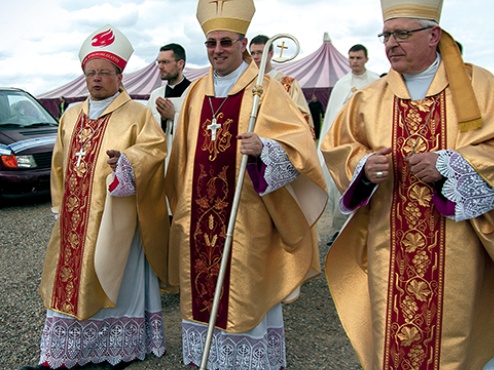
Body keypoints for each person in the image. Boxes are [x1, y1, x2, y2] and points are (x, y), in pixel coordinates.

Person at [321, 1, 494, 369]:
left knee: (472, 339)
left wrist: (455, 164)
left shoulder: (476, 85)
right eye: (386, 35)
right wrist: (364, 167)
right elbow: (339, 148)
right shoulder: (369, 97)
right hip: (391, 245)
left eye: (403, 33)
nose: (391, 43)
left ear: (433, 35)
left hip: (467, 245)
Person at [165, 1, 327, 368]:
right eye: (211, 43)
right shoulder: (193, 93)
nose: (217, 50)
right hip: (200, 216)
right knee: (202, 290)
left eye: (226, 42)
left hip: (247, 215)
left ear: (243, 44)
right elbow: (181, 157)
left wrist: (265, 149)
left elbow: (300, 148)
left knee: (246, 294)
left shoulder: (265, 90)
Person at [22, 24, 170, 370]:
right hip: (75, 218)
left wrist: (128, 164)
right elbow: (59, 162)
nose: (97, 79)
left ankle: (120, 348)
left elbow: (154, 153)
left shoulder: (137, 114)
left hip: (117, 218)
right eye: (91, 73)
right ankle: (62, 354)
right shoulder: (70, 115)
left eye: (105, 72)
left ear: (120, 75)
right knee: (68, 281)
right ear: (84, 76)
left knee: (115, 277)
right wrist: (60, 206)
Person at [317, 43, 380, 240]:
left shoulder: (376, 81)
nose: (354, 62)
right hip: (346, 144)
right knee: (341, 185)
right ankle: (340, 231)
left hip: (372, 141)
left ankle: (371, 230)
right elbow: (332, 118)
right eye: (351, 58)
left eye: (358, 58)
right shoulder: (342, 84)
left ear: (366, 59)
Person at [249, 34, 316, 139]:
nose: (256, 57)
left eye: (260, 52)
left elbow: (302, 116)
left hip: (280, 140)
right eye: (253, 53)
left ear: (270, 54)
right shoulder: (247, 84)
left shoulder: (288, 84)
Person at [147, 43, 192, 172]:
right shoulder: (156, 95)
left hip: (185, 163)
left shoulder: (194, 93)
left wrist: (174, 116)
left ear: (180, 64)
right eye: (159, 62)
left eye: (165, 62)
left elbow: (200, 129)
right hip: (160, 164)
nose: (160, 67)